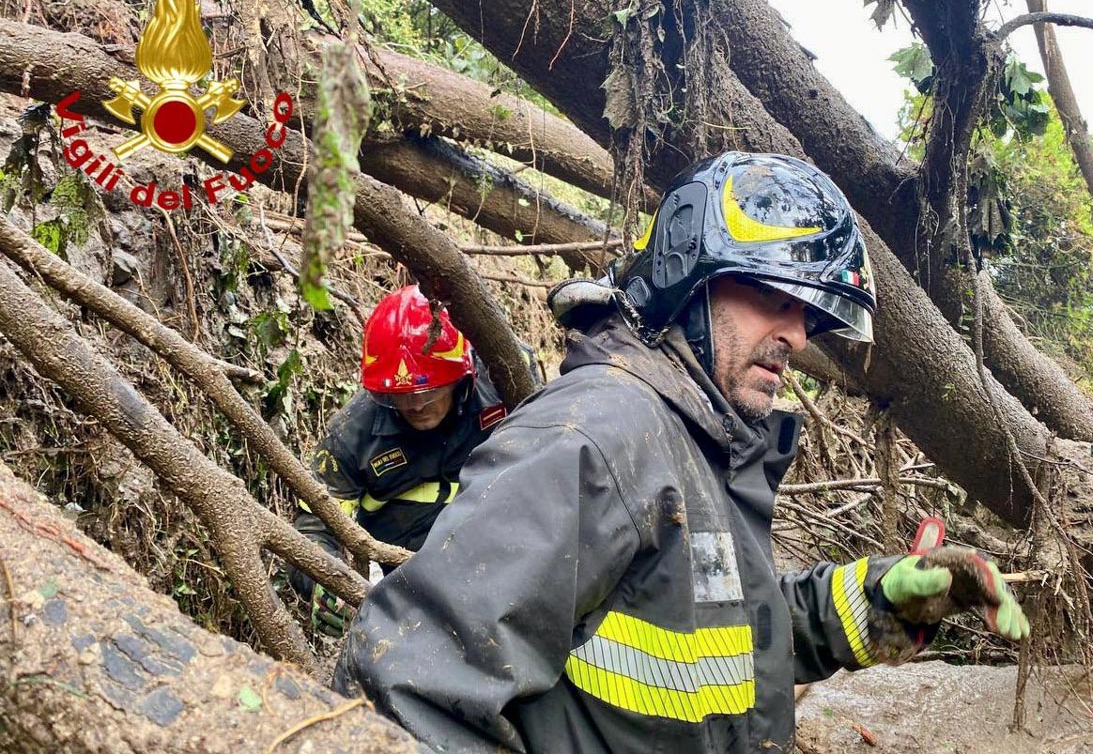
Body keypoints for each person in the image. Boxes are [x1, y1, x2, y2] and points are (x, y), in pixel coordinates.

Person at [332, 153, 1029, 753]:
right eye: (771, 294)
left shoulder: (687, 443)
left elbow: (729, 630)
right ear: (686, 280)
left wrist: (883, 597)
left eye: (808, 313)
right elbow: (405, 691)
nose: (796, 331)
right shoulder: (596, 437)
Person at [288, 285, 537, 636]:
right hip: (408, 589)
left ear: (461, 378)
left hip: (502, 557)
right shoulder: (353, 435)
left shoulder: (503, 378)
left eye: (430, 391)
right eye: (401, 397)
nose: (417, 406)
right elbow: (314, 524)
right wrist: (323, 580)